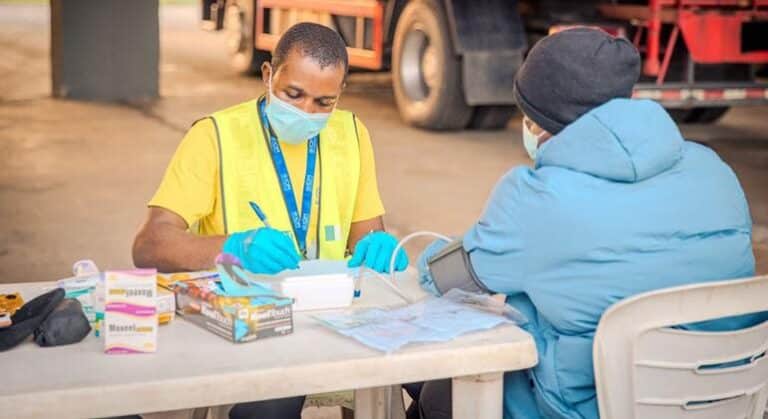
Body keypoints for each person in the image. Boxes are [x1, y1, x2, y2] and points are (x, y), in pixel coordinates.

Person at [415, 28, 766, 419]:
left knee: (440, 393)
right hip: (725, 401)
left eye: (527, 117)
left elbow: (445, 277)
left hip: (587, 408)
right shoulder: (713, 170)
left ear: (541, 121)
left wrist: (442, 251)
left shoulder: (534, 197)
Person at [133, 22, 407, 419]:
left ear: (340, 93)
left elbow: (367, 238)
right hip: (252, 326)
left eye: (323, 102)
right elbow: (149, 246)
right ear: (268, 75)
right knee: (269, 405)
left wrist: (380, 247)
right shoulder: (215, 136)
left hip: (332, 317)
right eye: (293, 94)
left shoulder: (350, 133)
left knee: (410, 375)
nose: (306, 112)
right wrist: (233, 248)